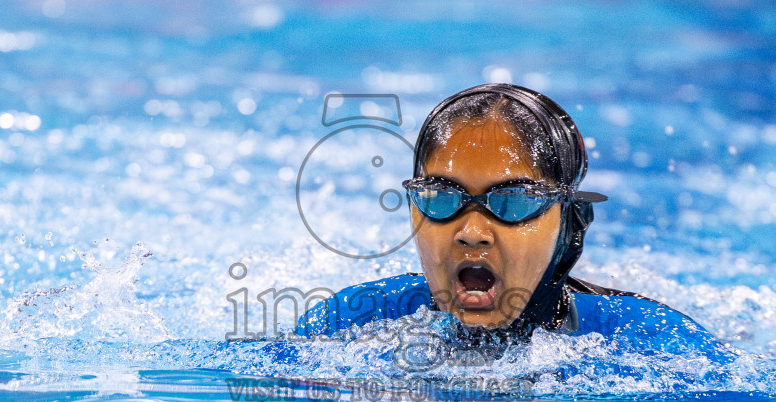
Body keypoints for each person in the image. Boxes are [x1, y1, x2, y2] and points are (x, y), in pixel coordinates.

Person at [295, 84, 732, 362]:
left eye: (513, 202)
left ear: (570, 225)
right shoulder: (354, 323)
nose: (471, 231)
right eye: (441, 198)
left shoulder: (652, 342)